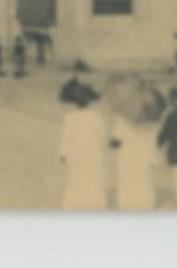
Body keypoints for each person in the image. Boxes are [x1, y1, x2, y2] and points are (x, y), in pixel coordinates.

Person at [58, 82, 110, 210]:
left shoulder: (70, 117)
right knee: (94, 180)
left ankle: (74, 206)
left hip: (75, 154)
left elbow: (67, 137)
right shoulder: (97, 116)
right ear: (90, 101)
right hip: (93, 153)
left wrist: (63, 154)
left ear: (75, 102)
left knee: (75, 180)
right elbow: (102, 137)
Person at [112, 91, 162, 212]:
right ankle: (146, 204)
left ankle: (127, 205)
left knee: (126, 180)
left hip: (127, 153)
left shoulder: (122, 117)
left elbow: (117, 138)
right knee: (145, 179)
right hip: (145, 153)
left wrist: (111, 142)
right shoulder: (153, 119)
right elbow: (156, 138)